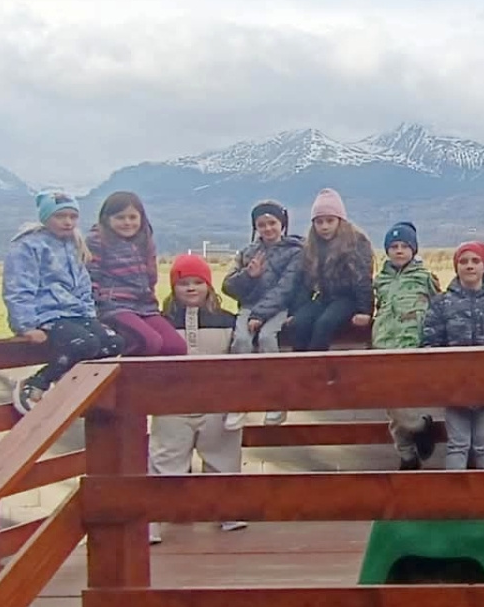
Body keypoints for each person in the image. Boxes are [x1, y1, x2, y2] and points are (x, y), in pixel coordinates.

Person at [147, 254, 249, 542]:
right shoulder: (160, 323)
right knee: (165, 461)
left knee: (223, 459)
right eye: (183, 283)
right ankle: (151, 521)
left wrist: (237, 401)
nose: (191, 288)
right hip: (172, 404)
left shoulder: (228, 321)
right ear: (173, 287)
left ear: (208, 285)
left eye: (197, 282)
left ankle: (228, 512)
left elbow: (240, 360)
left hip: (217, 402)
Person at [2, 190, 125, 415]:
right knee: (83, 344)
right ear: (46, 217)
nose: (68, 222)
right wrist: (26, 326)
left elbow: (83, 284)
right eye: (60, 216)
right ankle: (36, 383)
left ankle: (72, 384)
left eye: (73, 216)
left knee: (113, 343)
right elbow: (18, 286)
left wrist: (90, 316)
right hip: (47, 314)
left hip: (76, 312)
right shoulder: (28, 246)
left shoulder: (74, 244)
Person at [422, 242, 484, 470]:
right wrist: (443, 379)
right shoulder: (441, 303)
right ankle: (455, 491)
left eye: (475, 261)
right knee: (457, 444)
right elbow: (431, 344)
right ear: (456, 267)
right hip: (454, 387)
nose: (469, 266)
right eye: (464, 261)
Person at [222, 200, 305, 428]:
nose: (268, 229)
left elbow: (286, 288)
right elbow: (228, 286)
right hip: (249, 307)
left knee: (268, 338)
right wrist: (249, 276)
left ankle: (276, 401)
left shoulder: (295, 252)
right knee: (241, 341)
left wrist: (259, 315)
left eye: (272, 223)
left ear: (282, 224)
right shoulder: (248, 253)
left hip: (279, 308)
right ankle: (239, 403)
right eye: (262, 224)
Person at [370, 221, 443, 469]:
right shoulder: (380, 280)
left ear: (413, 249)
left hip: (412, 344)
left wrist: (432, 338)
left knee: (401, 401)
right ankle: (413, 441)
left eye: (404, 246)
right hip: (384, 345)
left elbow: (439, 307)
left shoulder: (424, 278)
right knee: (391, 403)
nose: (399, 250)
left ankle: (414, 441)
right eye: (394, 246)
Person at [86, 191, 186, 358]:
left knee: (176, 347)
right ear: (106, 219)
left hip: (145, 307)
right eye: (120, 217)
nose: (127, 222)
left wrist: (152, 302)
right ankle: (120, 369)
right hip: (113, 306)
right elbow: (92, 277)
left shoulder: (145, 241)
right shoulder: (98, 240)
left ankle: (155, 375)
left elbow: (151, 278)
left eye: (132, 217)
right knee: (148, 342)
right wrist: (95, 309)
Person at [289, 188, 373, 353]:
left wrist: (365, 311)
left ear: (339, 221)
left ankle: (317, 364)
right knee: (300, 322)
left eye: (330, 221)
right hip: (325, 297)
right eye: (319, 222)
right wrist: (295, 311)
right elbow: (305, 283)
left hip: (349, 299)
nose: (324, 226)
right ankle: (297, 363)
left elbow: (362, 279)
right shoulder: (312, 246)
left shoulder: (355, 243)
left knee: (325, 324)